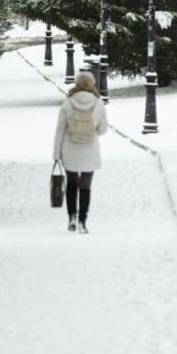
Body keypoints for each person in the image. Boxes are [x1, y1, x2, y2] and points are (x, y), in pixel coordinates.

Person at [51, 71, 108, 233]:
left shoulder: (68, 103)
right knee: (85, 186)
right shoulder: (98, 103)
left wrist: (56, 153)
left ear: (76, 83)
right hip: (89, 149)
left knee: (71, 183)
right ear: (92, 84)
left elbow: (60, 129)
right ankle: (83, 221)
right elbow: (103, 129)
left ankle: (72, 217)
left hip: (70, 149)